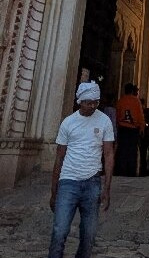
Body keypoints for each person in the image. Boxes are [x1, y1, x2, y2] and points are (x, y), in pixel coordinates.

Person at [48, 81, 115, 258]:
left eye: (95, 102)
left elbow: (108, 154)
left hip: (92, 182)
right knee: (60, 230)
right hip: (68, 181)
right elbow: (59, 157)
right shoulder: (68, 123)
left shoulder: (104, 121)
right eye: (88, 102)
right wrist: (54, 191)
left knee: (89, 235)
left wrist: (106, 188)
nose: (92, 106)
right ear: (80, 101)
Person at [114, 83, 144, 177]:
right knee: (132, 151)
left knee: (122, 150)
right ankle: (131, 172)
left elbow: (117, 115)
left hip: (123, 128)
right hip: (133, 130)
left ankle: (120, 171)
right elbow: (140, 116)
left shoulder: (121, 100)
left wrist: (118, 125)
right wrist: (142, 128)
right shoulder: (136, 101)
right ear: (132, 91)